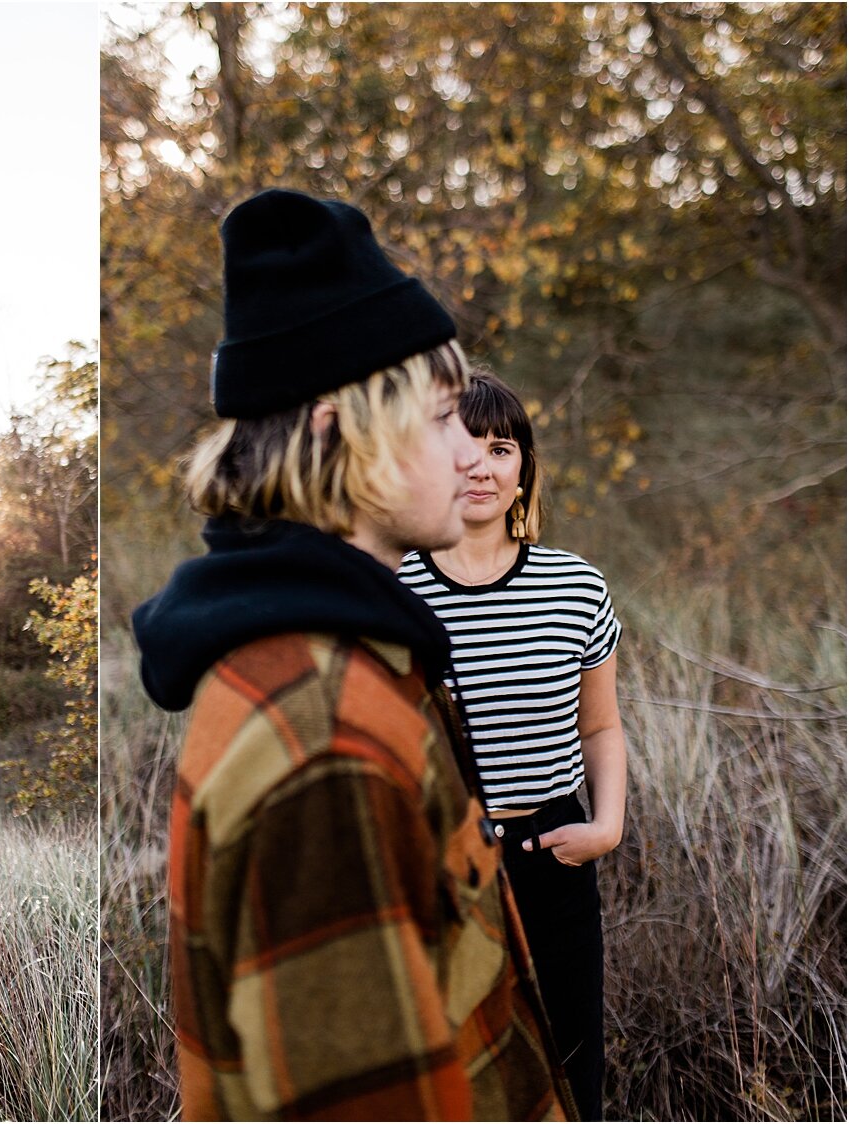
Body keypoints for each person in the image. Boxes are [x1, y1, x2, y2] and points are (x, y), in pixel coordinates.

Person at [131, 188, 576, 1121]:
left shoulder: (350, 662)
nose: (472, 455)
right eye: (445, 416)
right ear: (340, 426)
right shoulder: (324, 739)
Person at [398, 370, 626, 1120]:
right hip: (439, 865)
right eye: (461, 445)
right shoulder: (391, 593)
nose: (481, 465)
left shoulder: (575, 587)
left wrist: (607, 825)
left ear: (522, 466)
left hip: (553, 856)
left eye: (500, 447)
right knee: (451, 1084)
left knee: (566, 1077)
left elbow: (601, 725)